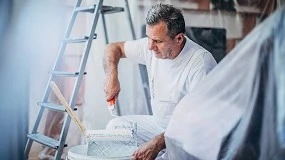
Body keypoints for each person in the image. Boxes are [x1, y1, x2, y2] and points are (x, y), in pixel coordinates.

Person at [103, 3, 217, 160]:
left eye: (157, 41)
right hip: (158, 125)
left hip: (187, 135)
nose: (150, 46)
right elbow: (113, 48)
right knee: (115, 127)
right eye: (149, 38)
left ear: (178, 38)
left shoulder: (200, 63)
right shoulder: (150, 45)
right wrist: (111, 75)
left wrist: (157, 144)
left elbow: (198, 123)